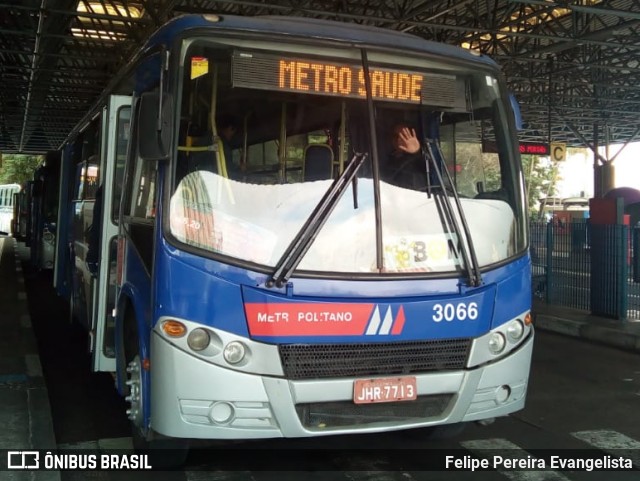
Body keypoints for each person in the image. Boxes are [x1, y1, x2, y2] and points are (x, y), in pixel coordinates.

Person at [381, 123, 428, 190]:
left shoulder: (418, 158)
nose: (399, 139)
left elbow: (430, 169)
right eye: (395, 136)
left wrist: (416, 152)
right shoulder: (388, 159)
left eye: (403, 135)